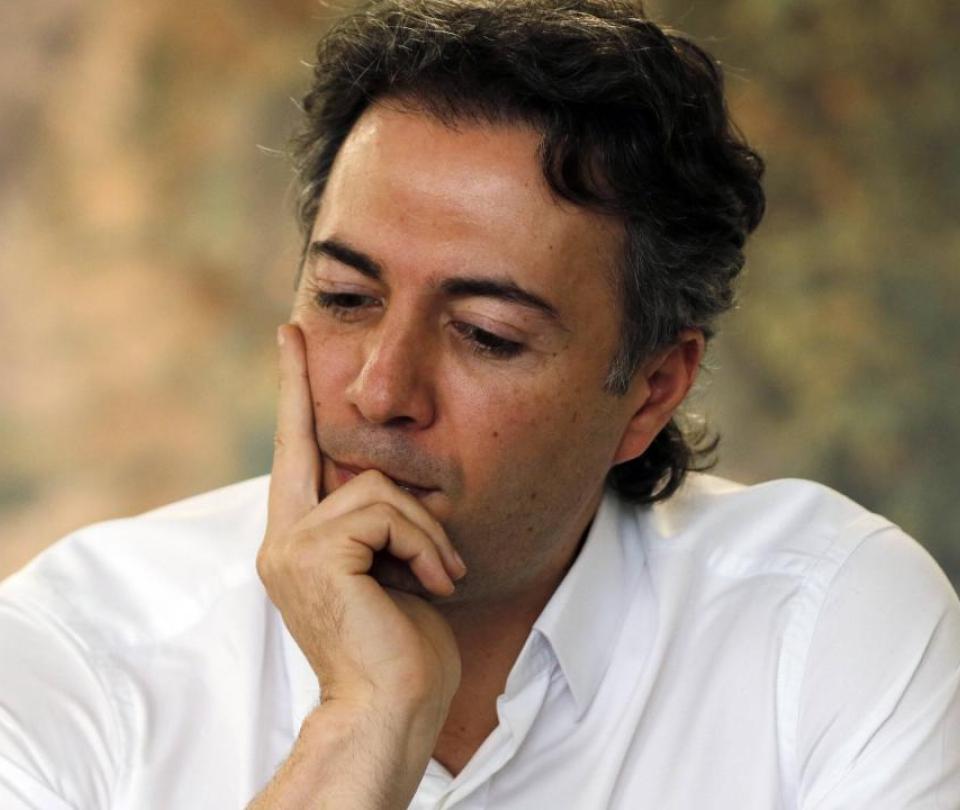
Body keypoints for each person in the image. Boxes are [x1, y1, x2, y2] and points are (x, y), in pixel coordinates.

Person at [2, 0, 958, 807]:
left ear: (650, 392)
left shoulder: (826, 629)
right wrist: (361, 725)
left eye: (487, 335)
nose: (381, 389)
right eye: (346, 298)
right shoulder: (76, 654)